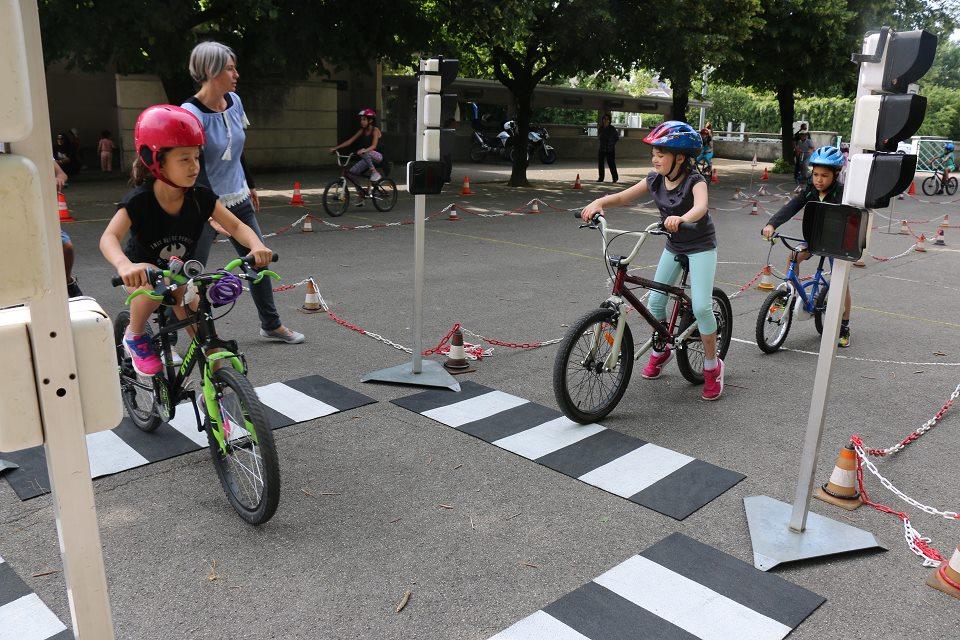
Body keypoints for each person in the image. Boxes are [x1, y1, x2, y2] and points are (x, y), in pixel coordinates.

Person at [99, 104, 274, 376]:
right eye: (184, 159)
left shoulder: (200, 196)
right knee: (158, 279)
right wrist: (123, 265)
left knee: (207, 339)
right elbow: (109, 237)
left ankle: (215, 390)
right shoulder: (140, 201)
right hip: (142, 276)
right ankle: (134, 336)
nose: (195, 166)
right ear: (155, 159)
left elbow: (237, 225)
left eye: (196, 157)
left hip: (180, 276)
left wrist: (257, 246)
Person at [580, 120, 725, 400]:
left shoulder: (696, 180)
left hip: (700, 245)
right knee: (656, 302)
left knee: (702, 307)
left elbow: (701, 207)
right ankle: (662, 348)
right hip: (674, 245)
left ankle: (712, 366)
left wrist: (682, 219)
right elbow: (623, 197)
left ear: (679, 158)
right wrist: (600, 202)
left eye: (661, 154)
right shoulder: (654, 179)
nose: (655, 158)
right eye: (654, 153)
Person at [181, 41, 304, 345]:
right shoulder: (189, 112)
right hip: (203, 203)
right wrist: (209, 210)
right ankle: (168, 343)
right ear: (210, 71)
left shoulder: (235, 101)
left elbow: (237, 149)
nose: (236, 74)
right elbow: (195, 165)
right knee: (187, 274)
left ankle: (271, 325)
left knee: (258, 259)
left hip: (237, 198)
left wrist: (249, 184)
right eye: (230, 68)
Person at [762, 145, 853, 347]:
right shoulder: (810, 190)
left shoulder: (842, 194)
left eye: (825, 176)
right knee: (793, 257)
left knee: (841, 284)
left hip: (837, 243)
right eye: (816, 174)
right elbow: (792, 206)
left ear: (836, 174)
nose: (819, 180)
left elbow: (854, 220)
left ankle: (845, 326)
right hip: (814, 240)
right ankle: (788, 294)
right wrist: (772, 224)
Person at [329, 108, 385, 183]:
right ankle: (360, 193)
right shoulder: (362, 130)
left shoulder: (375, 130)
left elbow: (374, 146)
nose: (361, 121)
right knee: (351, 173)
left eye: (364, 119)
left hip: (378, 156)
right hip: (366, 157)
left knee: (364, 152)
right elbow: (350, 141)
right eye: (361, 119)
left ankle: (375, 172)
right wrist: (336, 148)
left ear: (370, 121)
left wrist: (365, 150)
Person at [597, 113, 619, 182]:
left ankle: (615, 178)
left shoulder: (612, 128)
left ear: (609, 120)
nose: (605, 120)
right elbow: (599, 137)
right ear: (602, 120)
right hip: (602, 149)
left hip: (610, 149)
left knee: (611, 164)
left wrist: (611, 144)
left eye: (607, 119)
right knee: (600, 164)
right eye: (604, 119)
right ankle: (601, 178)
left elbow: (616, 138)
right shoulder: (601, 128)